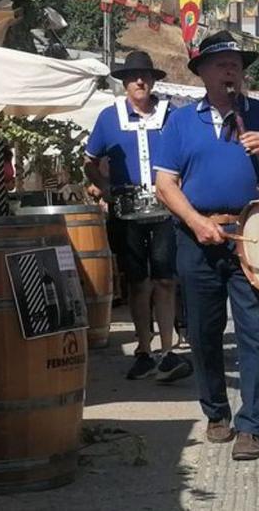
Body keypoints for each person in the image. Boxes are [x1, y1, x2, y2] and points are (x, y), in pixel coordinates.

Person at [153, 30, 259, 461]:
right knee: (203, 332)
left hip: (252, 233)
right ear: (202, 73)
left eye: (236, 62)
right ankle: (217, 411)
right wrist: (196, 223)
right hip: (197, 238)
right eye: (221, 62)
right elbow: (165, 184)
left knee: (257, 331)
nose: (231, 68)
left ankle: (253, 424)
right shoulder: (180, 120)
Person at [84, 51, 192, 383]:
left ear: (154, 79)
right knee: (138, 282)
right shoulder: (108, 117)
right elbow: (90, 161)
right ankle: (143, 350)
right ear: (125, 83)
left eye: (145, 75)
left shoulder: (171, 116)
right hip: (127, 211)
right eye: (133, 77)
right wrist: (106, 188)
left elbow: (186, 158)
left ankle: (167, 350)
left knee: (165, 279)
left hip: (163, 208)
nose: (140, 81)